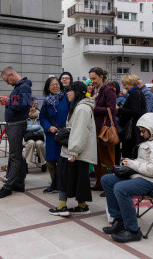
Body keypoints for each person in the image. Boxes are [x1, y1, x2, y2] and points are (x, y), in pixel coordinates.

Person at [101, 113, 153, 243]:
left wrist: (131, 164)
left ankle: (133, 230)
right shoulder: (152, 140)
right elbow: (145, 163)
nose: (141, 134)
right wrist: (130, 163)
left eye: (143, 131)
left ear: (151, 129)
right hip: (142, 177)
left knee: (120, 188)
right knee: (107, 180)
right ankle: (119, 220)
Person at [48, 81, 97, 216]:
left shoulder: (81, 109)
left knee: (63, 177)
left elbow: (80, 131)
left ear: (76, 93)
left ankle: (62, 207)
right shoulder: (80, 107)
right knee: (78, 179)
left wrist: (74, 151)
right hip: (76, 150)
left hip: (74, 151)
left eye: (69, 90)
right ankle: (82, 206)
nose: (67, 93)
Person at [0, 67, 32, 199]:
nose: (7, 83)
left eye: (6, 80)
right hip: (15, 124)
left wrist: (8, 100)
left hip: (17, 124)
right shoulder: (21, 86)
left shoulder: (24, 87)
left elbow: (24, 105)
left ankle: (8, 187)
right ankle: (19, 183)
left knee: (14, 156)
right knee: (16, 155)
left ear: (11, 75)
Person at [89, 67, 119, 192]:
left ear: (101, 76)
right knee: (97, 158)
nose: (92, 81)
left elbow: (111, 109)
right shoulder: (94, 90)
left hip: (105, 129)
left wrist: (93, 108)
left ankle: (110, 188)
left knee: (107, 159)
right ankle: (100, 184)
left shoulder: (108, 90)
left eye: (94, 78)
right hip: (95, 129)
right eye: (91, 79)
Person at [39, 76, 70, 193]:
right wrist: (49, 127)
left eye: (57, 84)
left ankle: (66, 185)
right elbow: (42, 117)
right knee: (50, 161)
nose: (55, 86)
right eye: (52, 85)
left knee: (64, 161)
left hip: (66, 134)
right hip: (52, 135)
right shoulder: (47, 101)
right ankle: (55, 184)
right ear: (48, 87)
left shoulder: (66, 98)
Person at [117, 75, 146, 159]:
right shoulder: (137, 92)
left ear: (132, 84)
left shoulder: (135, 94)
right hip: (135, 126)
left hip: (134, 127)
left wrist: (120, 110)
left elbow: (135, 111)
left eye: (126, 84)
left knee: (131, 151)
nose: (125, 87)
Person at [24, 101, 46, 171]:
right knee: (31, 143)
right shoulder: (24, 116)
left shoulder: (40, 115)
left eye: (33, 107)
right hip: (28, 138)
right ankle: (26, 163)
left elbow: (42, 129)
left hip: (39, 137)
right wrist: (37, 127)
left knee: (39, 144)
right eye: (30, 107)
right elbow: (25, 128)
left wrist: (31, 128)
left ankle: (43, 163)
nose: (32, 108)